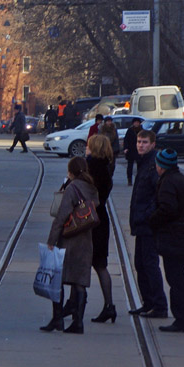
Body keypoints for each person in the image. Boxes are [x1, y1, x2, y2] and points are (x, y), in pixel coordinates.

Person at [149, 147, 184, 333]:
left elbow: (168, 209)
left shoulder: (167, 183)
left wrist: (153, 220)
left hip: (174, 238)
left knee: (175, 279)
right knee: (178, 277)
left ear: (161, 166)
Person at [41, 155, 99, 334]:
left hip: (69, 239)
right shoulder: (91, 187)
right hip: (86, 238)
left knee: (57, 279)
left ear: (71, 171)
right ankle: (78, 322)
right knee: (79, 281)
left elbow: (61, 215)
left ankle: (57, 318)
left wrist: (51, 240)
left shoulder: (72, 188)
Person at [128, 129, 169, 318]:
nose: (140, 145)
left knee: (149, 264)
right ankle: (149, 303)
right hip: (141, 223)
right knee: (141, 264)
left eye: (144, 142)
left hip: (148, 225)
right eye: (138, 142)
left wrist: (146, 215)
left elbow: (158, 195)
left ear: (153, 144)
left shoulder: (153, 165)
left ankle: (159, 305)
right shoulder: (144, 163)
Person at [85, 135, 117, 323]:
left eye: (89, 145)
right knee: (100, 264)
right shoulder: (106, 166)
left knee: (79, 261)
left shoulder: (91, 167)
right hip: (101, 218)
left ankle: (75, 303)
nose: (86, 147)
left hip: (88, 219)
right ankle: (109, 305)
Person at [123, 118, 143, 186]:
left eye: (137, 122)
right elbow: (126, 139)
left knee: (140, 166)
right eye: (135, 122)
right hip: (131, 150)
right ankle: (129, 180)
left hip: (139, 150)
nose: (136, 124)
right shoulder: (130, 130)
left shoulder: (142, 130)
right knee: (130, 166)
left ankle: (139, 180)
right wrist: (125, 148)